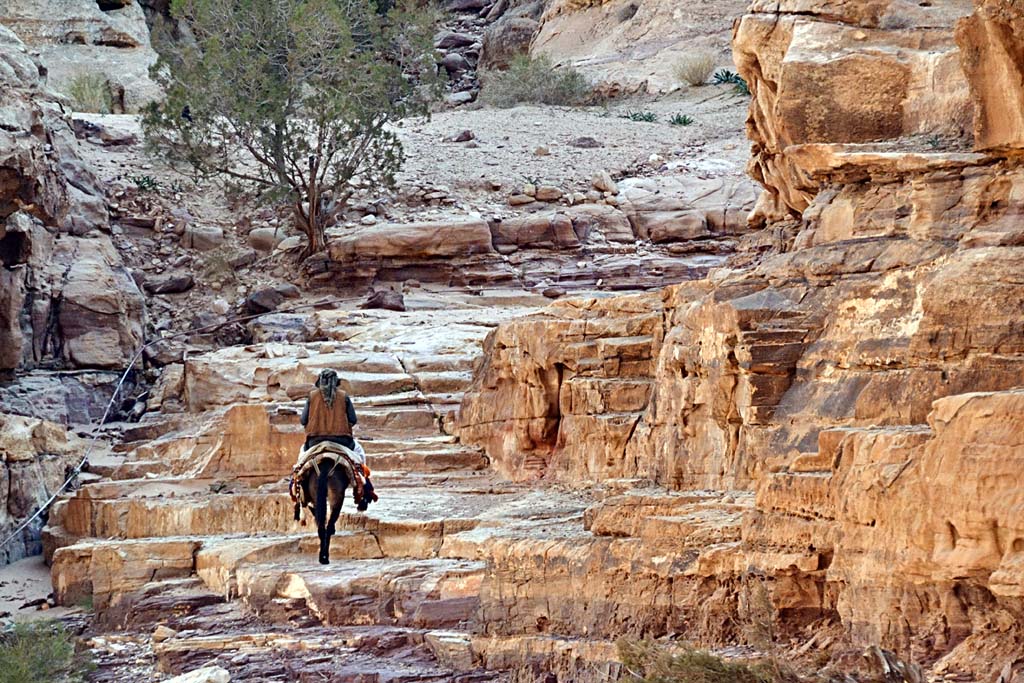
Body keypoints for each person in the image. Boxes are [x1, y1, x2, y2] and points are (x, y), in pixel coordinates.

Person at [299, 368, 376, 509]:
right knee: (360, 453)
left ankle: (298, 492)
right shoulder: (344, 396)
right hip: (342, 442)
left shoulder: (311, 396)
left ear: (320, 382)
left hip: (315, 442)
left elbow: (303, 421)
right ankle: (363, 490)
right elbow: (353, 419)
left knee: (300, 462)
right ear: (336, 382)